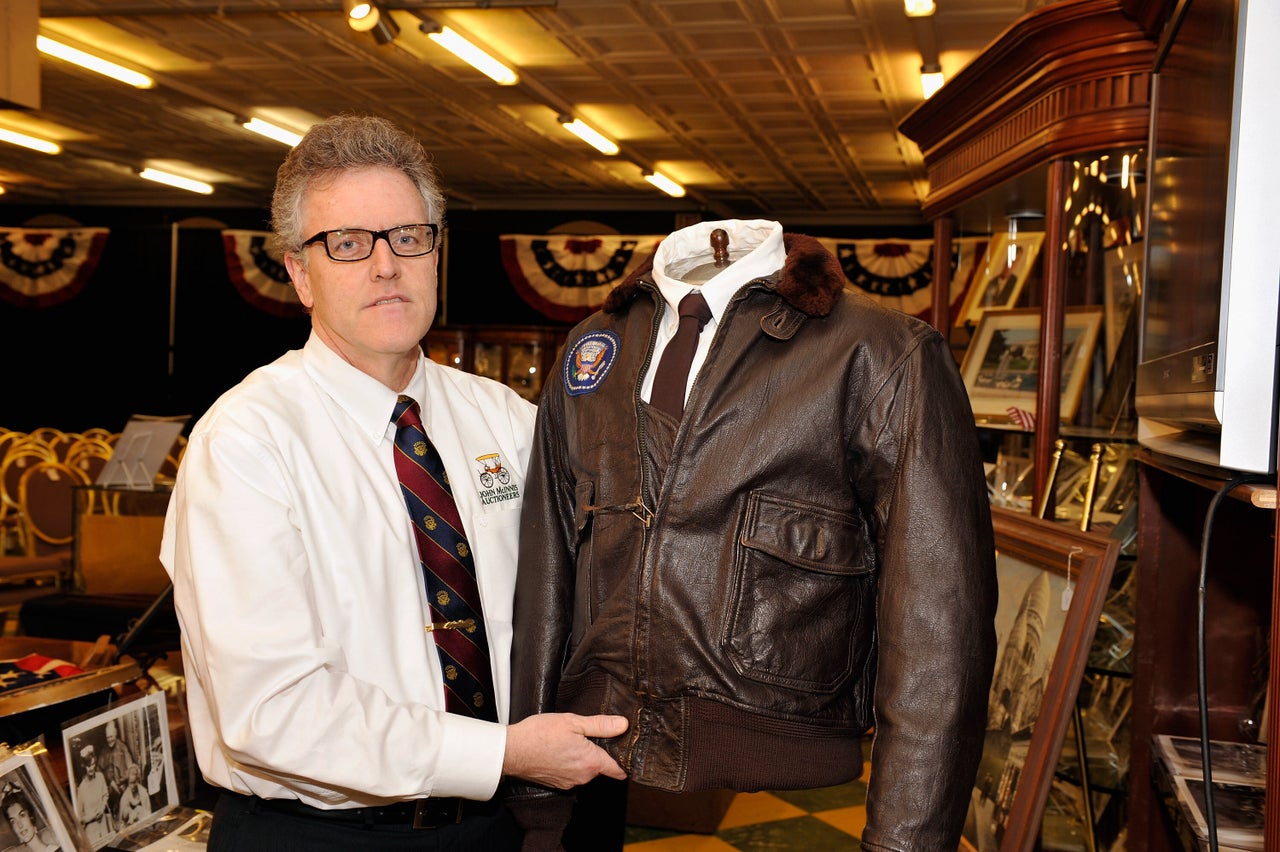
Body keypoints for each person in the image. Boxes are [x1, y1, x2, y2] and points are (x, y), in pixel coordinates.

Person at [159, 113, 627, 852]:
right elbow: (273, 710)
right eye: (346, 244)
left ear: (436, 252)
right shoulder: (246, 442)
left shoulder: (504, 420)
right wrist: (500, 754)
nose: (385, 266)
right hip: (314, 836)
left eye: (408, 237)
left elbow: (596, 585)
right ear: (297, 273)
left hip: (492, 828)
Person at [508, 218, 999, 851]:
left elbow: (940, 614)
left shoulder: (878, 350)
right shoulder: (592, 346)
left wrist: (909, 839)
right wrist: (535, 795)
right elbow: (547, 559)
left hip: (800, 755)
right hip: (592, 758)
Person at [72, 743, 113, 845]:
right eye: (88, 765)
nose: (91, 768)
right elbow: (80, 817)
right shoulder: (81, 789)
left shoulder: (100, 777)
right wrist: (93, 816)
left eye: (93, 764)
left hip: (103, 824)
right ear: (83, 766)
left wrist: (102, 808)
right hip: (91, 831)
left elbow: (105, 794)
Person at [0, 787, 60, 852]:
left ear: (31, 817)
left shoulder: (54, 850)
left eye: (22, 815)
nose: (19, 825)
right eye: (13, 821)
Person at [97, 720, 135, 821]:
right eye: (107, 737)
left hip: (123, 786)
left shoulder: (123, 748)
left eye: (111, 736)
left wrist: (119, 782)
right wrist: (106, 782)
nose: (109, 740)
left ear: (115, 734)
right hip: (109, 788)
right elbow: (99, 770)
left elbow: (130, 768)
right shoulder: (104, 750)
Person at [117, 762, 150, 828]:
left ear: (138, 781)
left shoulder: (143, 793)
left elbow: (148, 811)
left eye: (134, 783)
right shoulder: (125, 797)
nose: (132, 786)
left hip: (143, 825)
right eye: (130, 783)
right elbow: (122, 821)